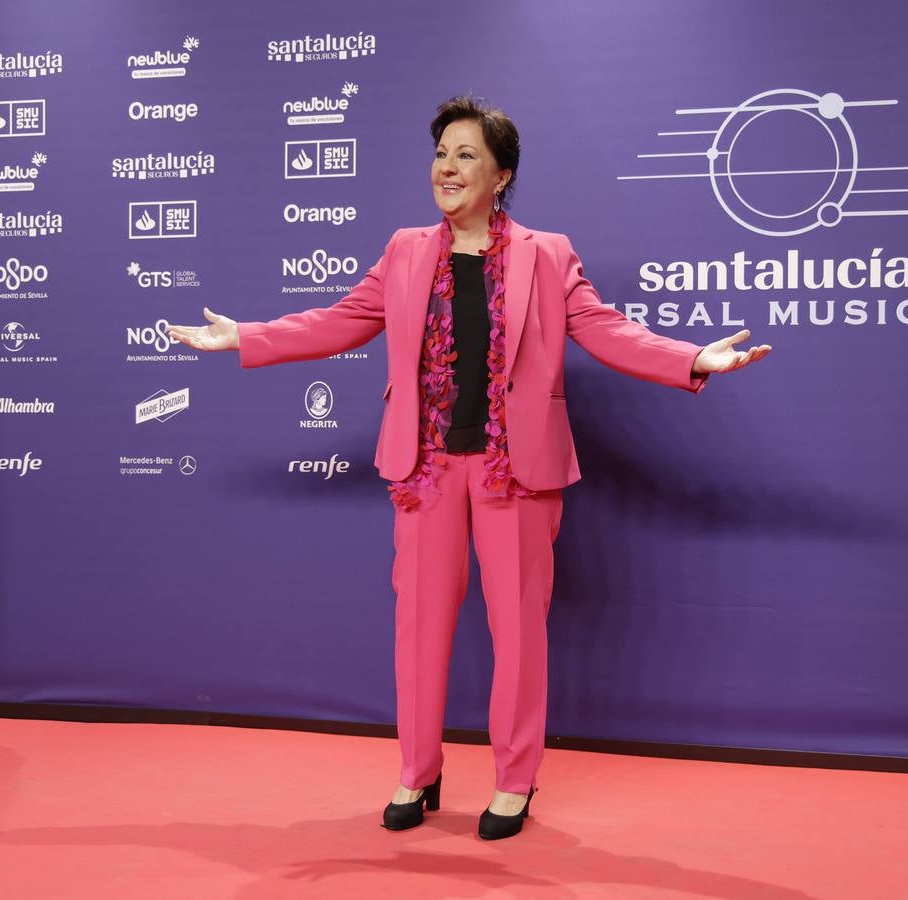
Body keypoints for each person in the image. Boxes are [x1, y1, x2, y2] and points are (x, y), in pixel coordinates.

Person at [168, 96, 771, 840]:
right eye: (440, 155)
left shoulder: (547, 255)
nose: (446, 170)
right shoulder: (404, 251)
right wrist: (248, 337)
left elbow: (605, 330)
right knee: (418, 629)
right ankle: (416, 773)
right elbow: (340, 320)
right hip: (424, 471)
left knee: (517, 632)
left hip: (514, 472)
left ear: (500, 175)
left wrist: (689, 358)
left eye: (465, 157)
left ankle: (514, 781)